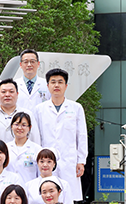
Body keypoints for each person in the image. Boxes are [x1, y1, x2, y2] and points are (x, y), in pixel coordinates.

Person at [33, 68, 87, 197]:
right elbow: (36, 136)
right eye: (53, 82)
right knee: (47, 194)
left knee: (69, 196)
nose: (56, 85)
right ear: (48, 86)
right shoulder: (39, 109)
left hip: (69, 160)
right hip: (46, 161)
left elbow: (82, 135)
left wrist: (81, 160)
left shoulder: (76, 108)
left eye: (60, 82)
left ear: (66, 86)